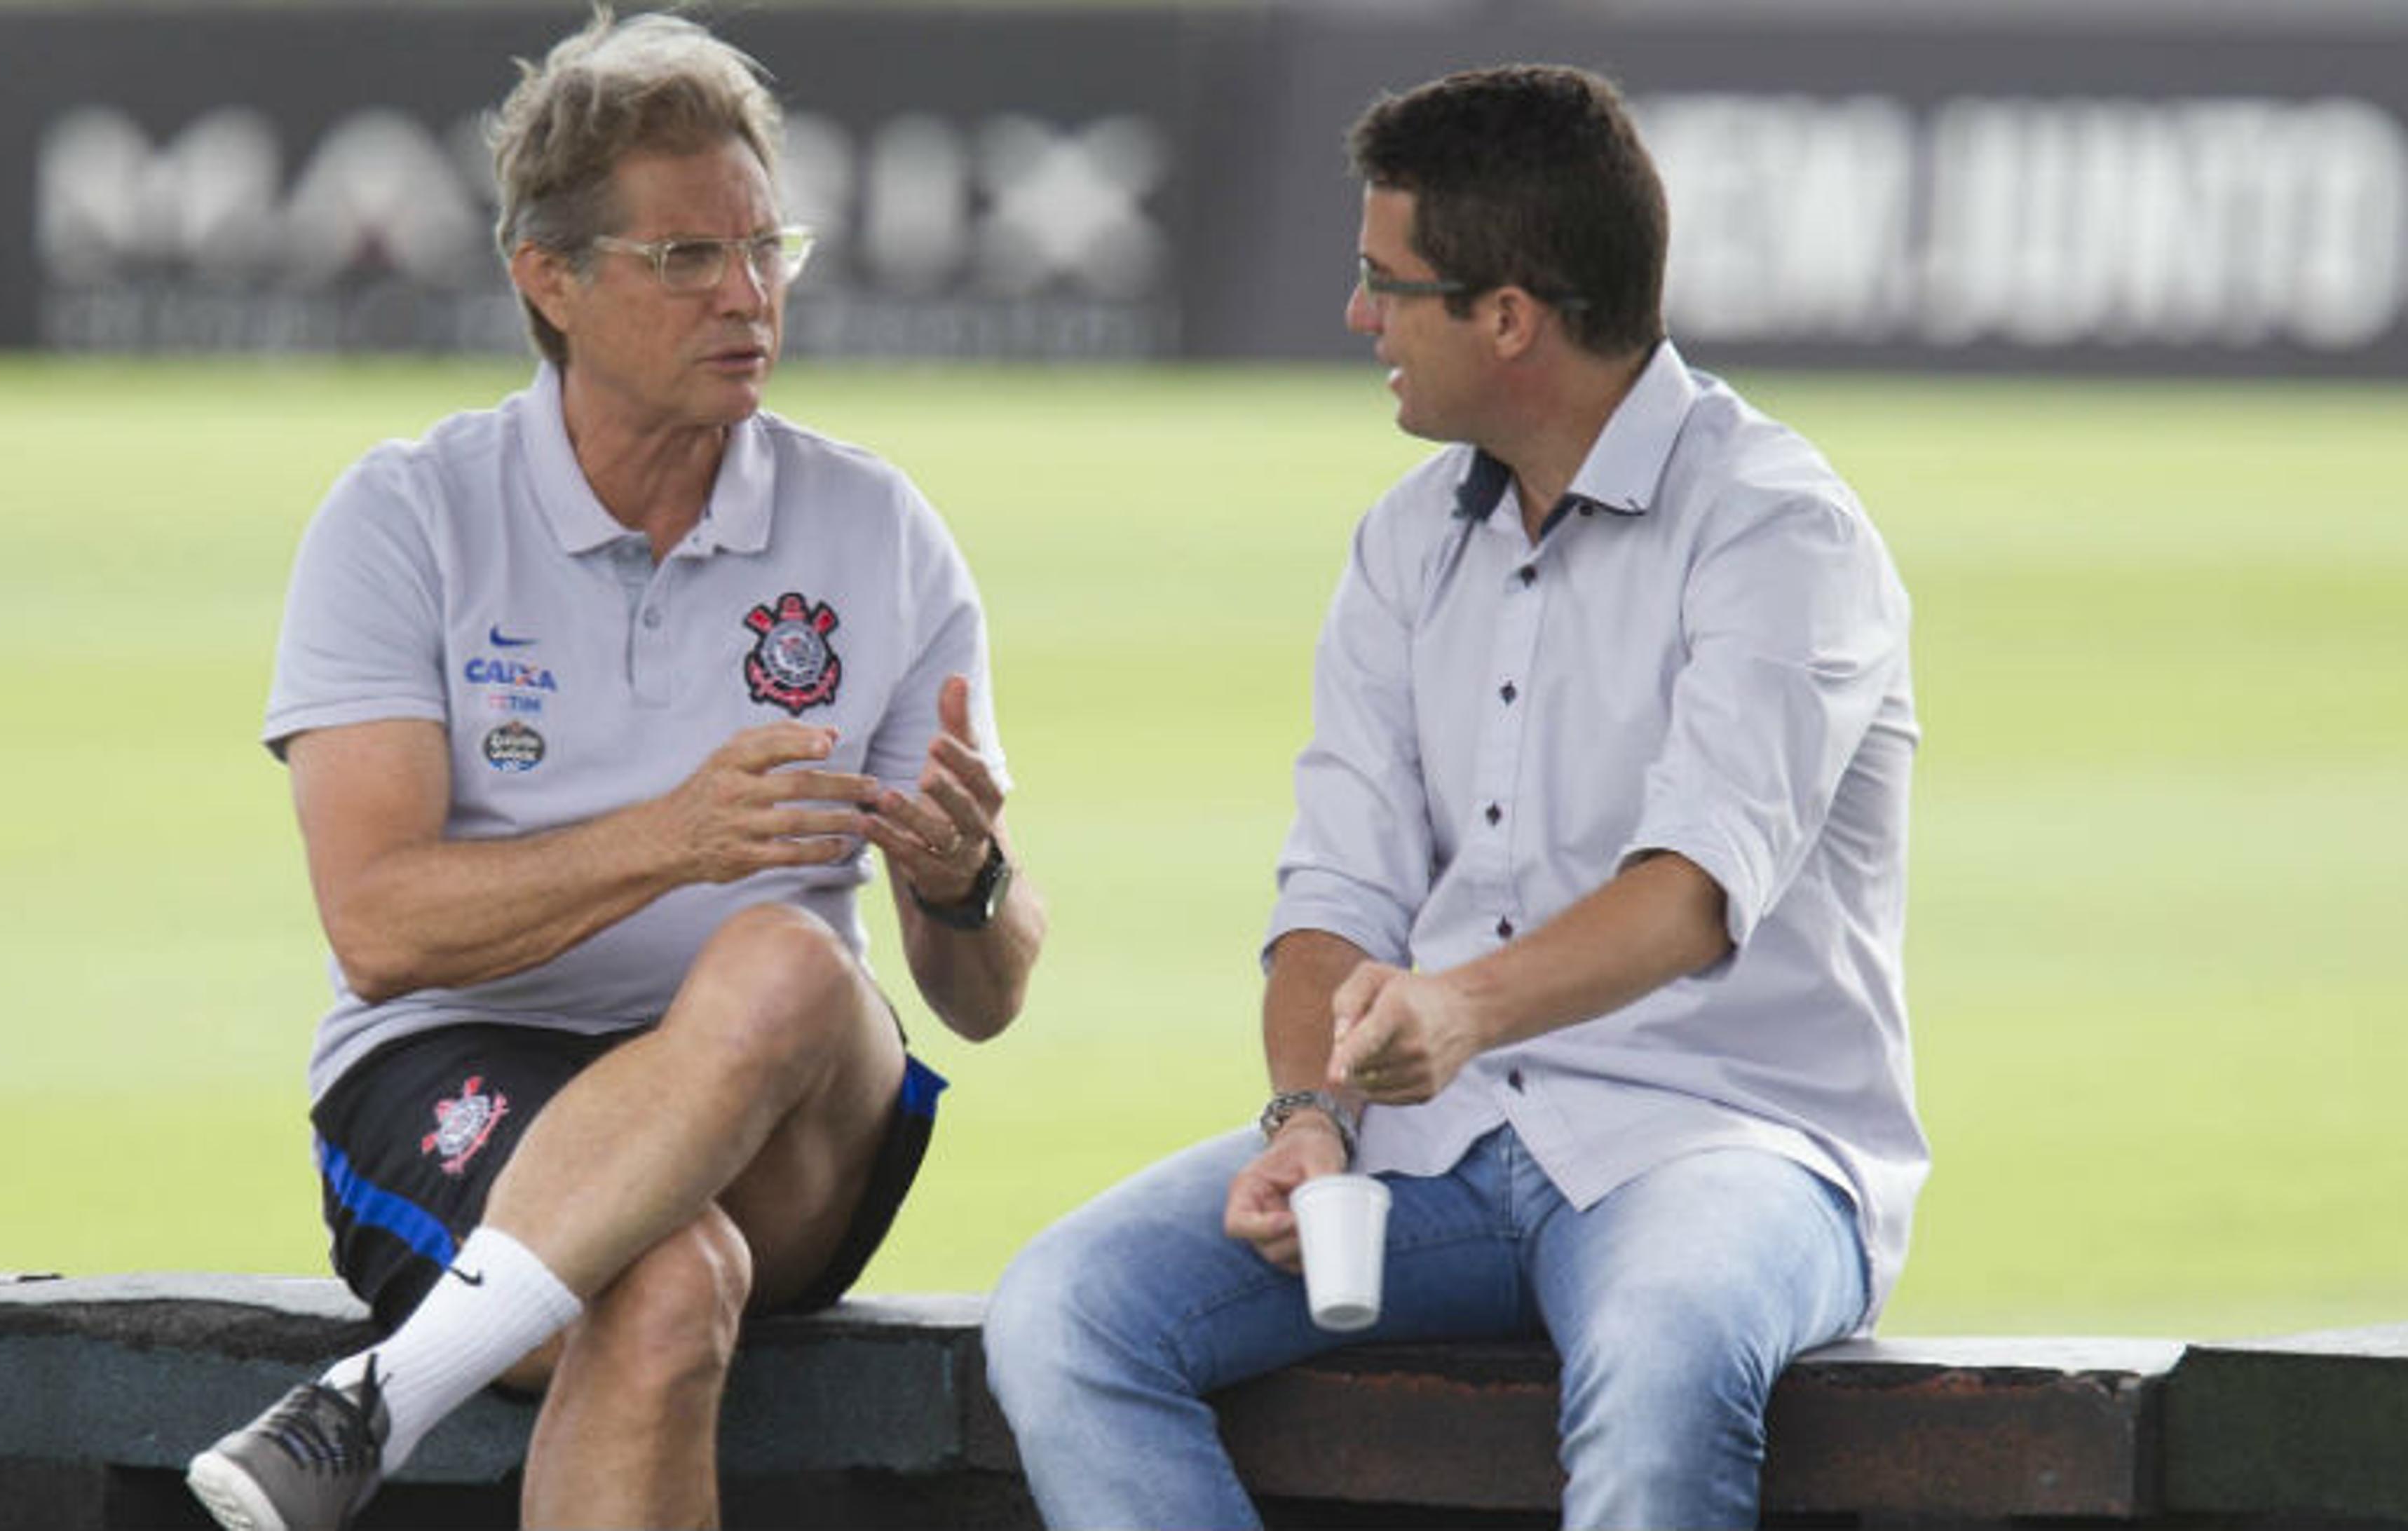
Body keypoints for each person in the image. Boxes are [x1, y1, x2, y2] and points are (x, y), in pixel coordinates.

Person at [984, 62, 1924, 1531]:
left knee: (1666, 1354)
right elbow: (1337, 896)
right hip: (1428, 1147)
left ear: (1508, 315)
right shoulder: (1405, 543)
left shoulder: (1779, 532)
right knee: (1065, 1312)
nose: (1360, 316)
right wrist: (1305, 1117)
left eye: (1387, 283)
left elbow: (1688, 897)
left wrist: (1464, 1009)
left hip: (1729, 1143)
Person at [184, 13, 1045, 1531]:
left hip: (794, 1107)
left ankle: (384, 1395)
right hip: (458, 1064)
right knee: (661, 1287)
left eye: (767, 247)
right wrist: (672, 838)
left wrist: (968, 888)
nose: (751, 296)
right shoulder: (409, 516)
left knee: (782, 962)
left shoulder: (875, 529)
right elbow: (382, 930)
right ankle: (436, 1359)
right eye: (688, 260)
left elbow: (981, 999)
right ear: (549, 279)